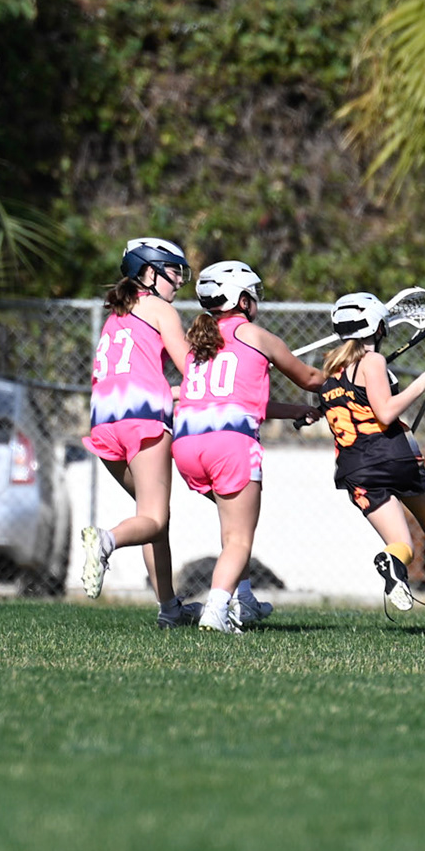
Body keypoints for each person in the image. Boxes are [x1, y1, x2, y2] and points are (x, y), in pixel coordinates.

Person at [314, 293, 425, 623]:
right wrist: (421, 383)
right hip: (393, 457)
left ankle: (392, 560)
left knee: (402, 544)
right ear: (378, 328)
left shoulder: (330, 371)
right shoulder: (372, 361)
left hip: (356, 470)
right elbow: (385, 413)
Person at [174, 261, 324, 634]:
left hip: (188, 444)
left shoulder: (200, 343)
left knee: (231, 529)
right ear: (242, 300)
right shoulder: (256, 335)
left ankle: (243, 598)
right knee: (239, 538)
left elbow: (243, 401)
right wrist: (350, 378)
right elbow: (310, 378)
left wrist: (295, 410)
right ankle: (216, 611)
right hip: (230, 445)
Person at [77, 237, 207, 628]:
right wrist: (232, 371)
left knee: (151, 516)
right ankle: (106, 540)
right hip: (143, 422)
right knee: (154, 516)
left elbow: (143, 379)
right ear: (148, 272)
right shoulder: (160, 309)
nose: (178, 281)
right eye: (173, 272)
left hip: (105, 420)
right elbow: (192, 371)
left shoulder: (117, 313)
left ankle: (169, 609)